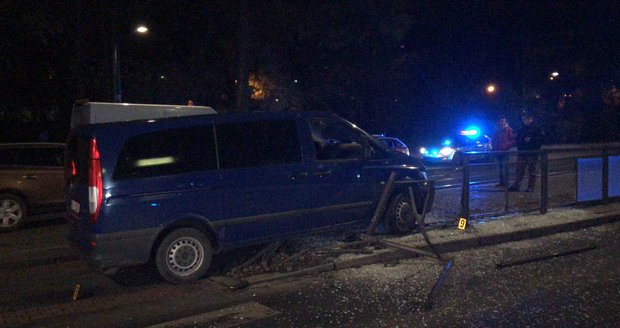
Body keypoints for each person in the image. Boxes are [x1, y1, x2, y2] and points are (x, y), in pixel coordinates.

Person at [508, 112, 546, 192]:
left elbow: (542, 139)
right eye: (522, 119)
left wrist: (531, 140)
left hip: (532, 152)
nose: (523, 121)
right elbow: (517, 139)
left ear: (530, 119)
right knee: (519, 170)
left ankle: (530, 187)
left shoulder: (536, 128)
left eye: (525, 119)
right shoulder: (522, 128)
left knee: (532, 170)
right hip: (523, 152)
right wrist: (522, 141)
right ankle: (516, 185)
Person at [491, 115, 516, 187]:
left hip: (505, 151)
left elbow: (513, 140)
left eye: (503, 121)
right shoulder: (496, 130)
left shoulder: (509, 130)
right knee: (500, 168)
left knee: (505, 167)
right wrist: (494, 148)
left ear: (506, 122)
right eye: (500, 121)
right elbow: (493, 140)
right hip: (497, 152)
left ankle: (506, 183)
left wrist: (506, 145)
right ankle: (501, 182)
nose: (502, 123)